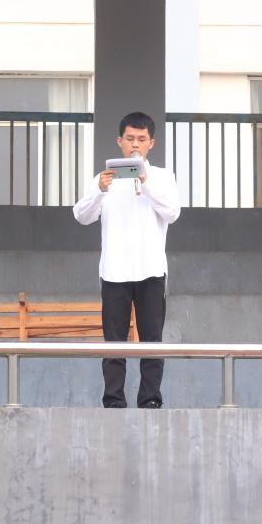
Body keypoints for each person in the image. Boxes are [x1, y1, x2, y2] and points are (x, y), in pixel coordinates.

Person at [72, 111, 181, 408]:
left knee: (152, 340)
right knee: (114, 341)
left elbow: (172, 212)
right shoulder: (104, 180)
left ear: (151, 143)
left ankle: (150, 400)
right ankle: (113, 401)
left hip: (150, 270)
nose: (135, 145)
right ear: (119, 141)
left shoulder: (162, 177)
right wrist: (99, 191)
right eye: (130, 138)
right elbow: (81, 215)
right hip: (114, 271)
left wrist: (145, 182)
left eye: (141, 139)